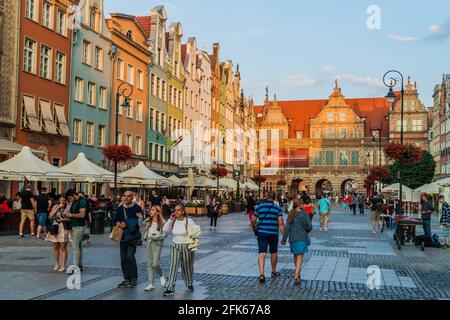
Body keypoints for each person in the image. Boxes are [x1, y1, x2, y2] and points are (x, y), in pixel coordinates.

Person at [163, 203, 199, 296]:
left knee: (186, 266)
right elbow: (165, 229)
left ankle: (189, 283)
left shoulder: (189, 220)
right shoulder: (173, 221)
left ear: (183, 211)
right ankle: (170, 287)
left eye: (179, 210)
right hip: (175, 245)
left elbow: (196, 231)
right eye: (175, 210)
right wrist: (170, 220)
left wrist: (190, 230)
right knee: (173, 266)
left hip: (187, 245)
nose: (176, 212)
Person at [251, 191, 285, 284]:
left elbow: (253, 219)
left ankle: (261, 274)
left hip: (262, 232)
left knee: (262, 252)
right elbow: (281, 223)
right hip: (273, 233)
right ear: (274, 198)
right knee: (273, 252)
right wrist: (284, 236)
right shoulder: (277, 208)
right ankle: (273, 271)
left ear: (266, 197)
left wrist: (254, 228)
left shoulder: (259, 207)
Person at [113, 191, 143, 289]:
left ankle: (133, 278)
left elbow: (140, 222)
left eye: (128, 196)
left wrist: (127, 223)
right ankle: (126, 278)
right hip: (122, 236)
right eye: (124, 196)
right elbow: (115, 219)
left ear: (132, 197)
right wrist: (117, 222)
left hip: (132, 236)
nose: (125, 198)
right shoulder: (120, 208)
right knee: (123, 259)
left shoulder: (137, 208)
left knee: (130, 257)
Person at [281, 199, 312, 285]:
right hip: (302, 238)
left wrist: (284, 239)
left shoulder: (291, 214)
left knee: (296, 255)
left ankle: (298, 274)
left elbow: (287, 228)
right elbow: (309, 227)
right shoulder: (304, 214)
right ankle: (296, 274)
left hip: (293, 238)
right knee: (300, 256)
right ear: (300, 205)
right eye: (302, 204)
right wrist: (305, 229)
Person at [45, 196, 72, 272]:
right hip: (55, 228)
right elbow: (50, 216)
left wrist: (63, 219)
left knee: (63, 247)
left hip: (64, 228)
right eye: (60, 200)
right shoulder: (56, 206)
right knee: (55, 247)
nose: (62, 201)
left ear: (66, 201)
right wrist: (58, 207)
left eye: (63, 200)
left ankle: (63, 265)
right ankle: (56, 264)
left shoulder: (68, 207)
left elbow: (70, 218)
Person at [143, 205, 167, 291]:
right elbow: (140, 226)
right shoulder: (147, 221)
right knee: (149, 263)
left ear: (157, 212)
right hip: (149, 242)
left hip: (157, 243)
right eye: (150, 210)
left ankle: (161, 275)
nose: (150, 211)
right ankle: (151, 283)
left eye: (153, 210)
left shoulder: (162, 222)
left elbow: (165, 234)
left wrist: (157, 237)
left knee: (155, 263)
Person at [63, 190, 87, 272]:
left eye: (70, 198)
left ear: (73, 195)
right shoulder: (75, 202)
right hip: (74, 226)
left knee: (75, 247)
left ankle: (75, 266)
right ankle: (79, 265)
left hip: (79, 226)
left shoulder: (82, 202)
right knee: (79, 246)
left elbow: (82, 214)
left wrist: (70, 215)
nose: (70, 200)